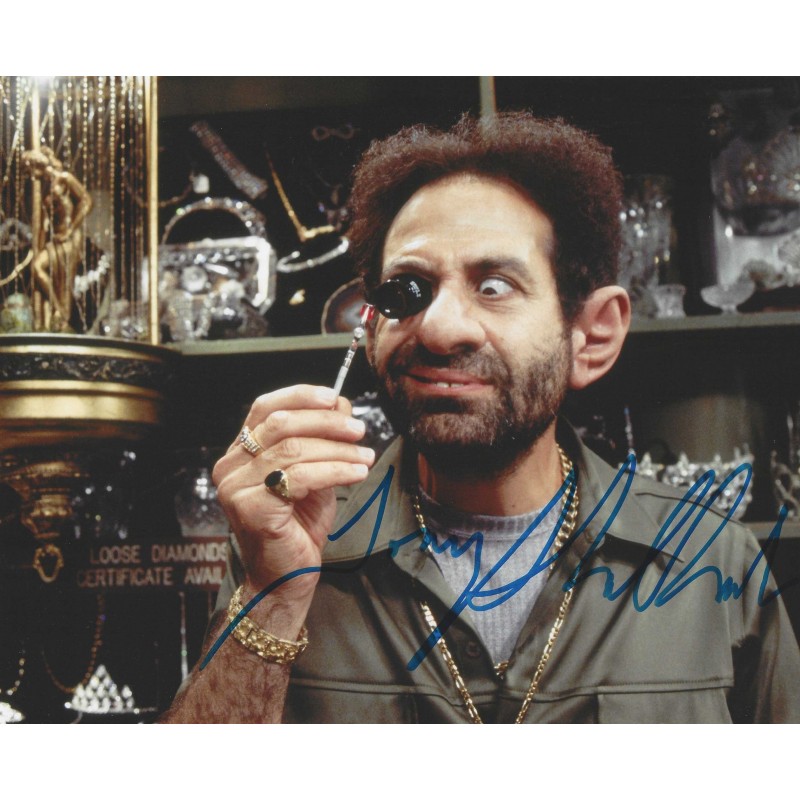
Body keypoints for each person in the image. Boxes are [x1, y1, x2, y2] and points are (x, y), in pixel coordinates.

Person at [162, 112, 800, 724]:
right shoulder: (291, 545)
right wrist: (273, 598)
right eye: (408, 289)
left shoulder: (715, 562)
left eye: (494, 286)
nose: (439, 328)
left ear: (591, 336)